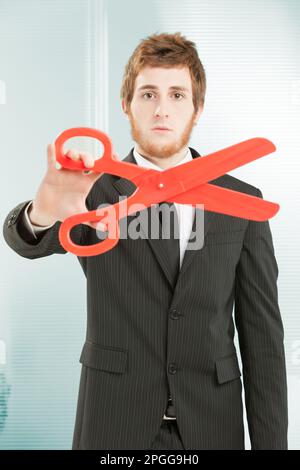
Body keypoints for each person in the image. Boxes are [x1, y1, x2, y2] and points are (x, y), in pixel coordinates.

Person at [3, 32, 288, 450]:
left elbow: (263, 344)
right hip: (114, 423)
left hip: (212, 426)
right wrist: (43, 212)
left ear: (198, 108)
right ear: (127, 105)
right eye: (148, 93)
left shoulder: (242, 203)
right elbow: (27, 242)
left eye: (177, 95)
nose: (161, 109)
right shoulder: (92, 192)